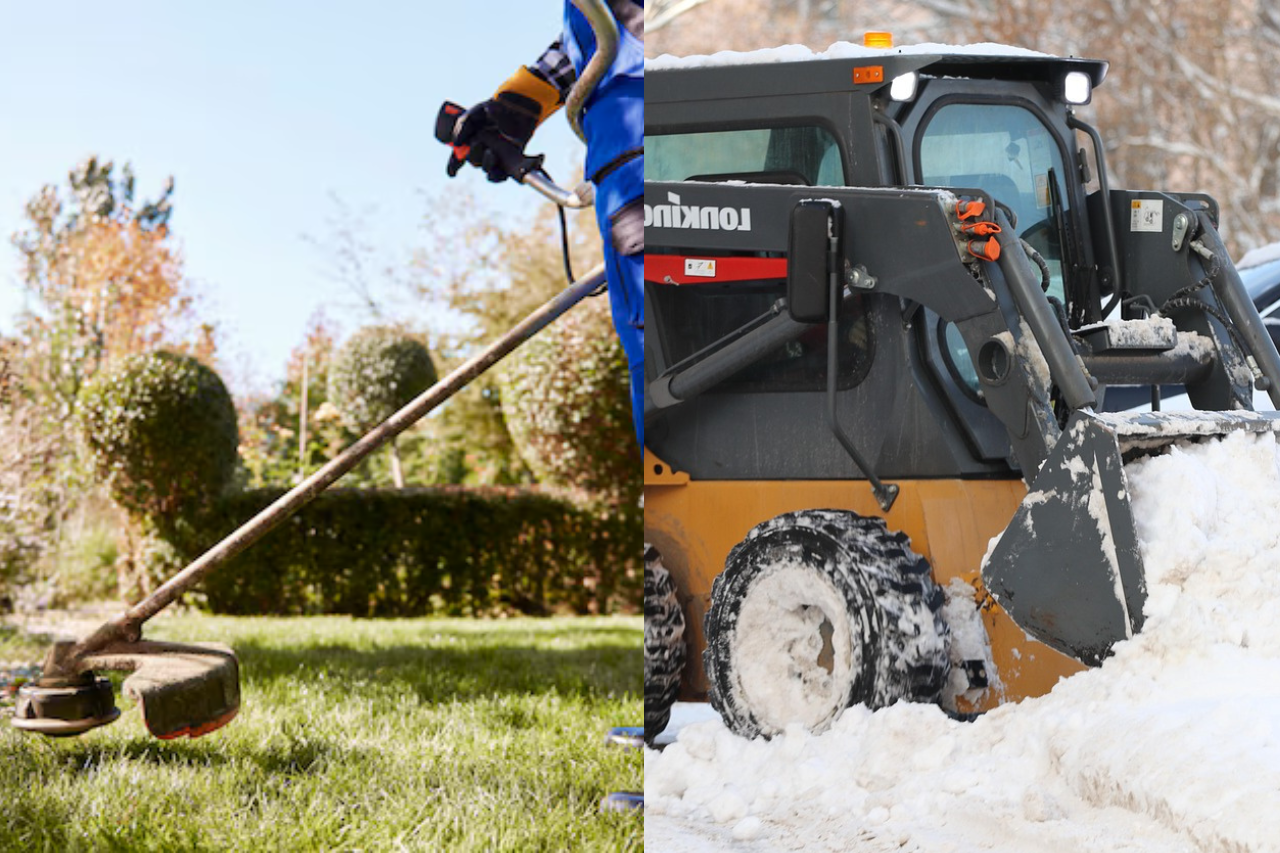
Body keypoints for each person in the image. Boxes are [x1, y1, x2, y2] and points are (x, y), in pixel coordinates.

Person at [445, 1, 644, 448]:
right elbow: (606, 30)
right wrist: (517, 105)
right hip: (630, 155)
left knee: (668, 355)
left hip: (641, 148)